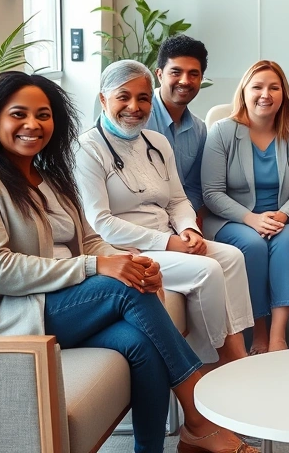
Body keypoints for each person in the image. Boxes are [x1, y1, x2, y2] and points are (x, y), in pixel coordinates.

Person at [0, 71, 258, 453]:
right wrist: (97, 268)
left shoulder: (49, 178)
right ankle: (198, 416)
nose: (32, 125)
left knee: (142, 341)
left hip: (57, 301)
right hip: (4, 315)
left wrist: (132, 262)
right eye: (18, 114)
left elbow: (89, 240)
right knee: (125, 291)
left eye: (43, 115)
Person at [77, 60, 253, 367]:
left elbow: (177, 201)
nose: (134, 106)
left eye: (143, 98)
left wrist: (190, 230)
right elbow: (100, 222)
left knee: (233, 258)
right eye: (123, 96)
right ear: (104, 99)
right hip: (125, 249)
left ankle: (232, 350)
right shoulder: (87, 149)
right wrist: (168, 243)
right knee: (207, 271)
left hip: (170, 240)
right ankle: (211, 361)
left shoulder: (157, 143)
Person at [202, 60, 289, 353]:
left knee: (286, 240)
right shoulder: (222, 132)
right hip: (232, 219)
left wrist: (281, 216)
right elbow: (211, 193)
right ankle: (259, 331)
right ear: (244, 92)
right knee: (253, 245)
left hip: (283, 218)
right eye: (258, 87)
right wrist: (251, 219)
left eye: (273, 87)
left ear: (283, 94)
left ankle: (278, 336)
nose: (266, 94)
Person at [144, 34, 209, 212]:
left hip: (180, 222)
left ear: (201, 79)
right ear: (159, 74)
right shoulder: (138, 118)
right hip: (138, 221)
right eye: (176, 72)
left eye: (193, 74)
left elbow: (195, 188)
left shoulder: (200, 130)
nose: (185, 81)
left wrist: (182, 221)